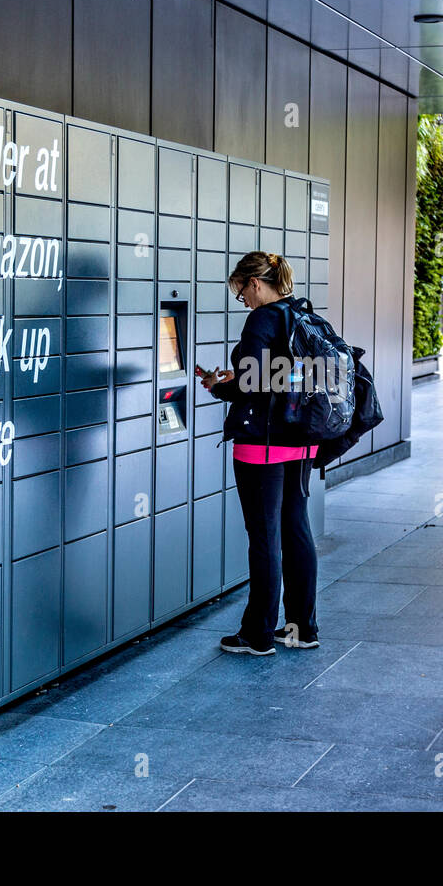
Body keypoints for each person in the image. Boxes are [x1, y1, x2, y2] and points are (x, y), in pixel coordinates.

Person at [197, 251, 320, 656]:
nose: (242, 300)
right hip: (300, 439)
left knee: (264, 536)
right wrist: (248, 377)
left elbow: (250, 385)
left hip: (262, 444)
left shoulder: (262, 319)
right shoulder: (300, 314)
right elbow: (288, 374)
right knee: (296, 531)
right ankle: (302, 628)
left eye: (240, 290)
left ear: (254, 282)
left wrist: (218, 386)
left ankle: (258, 634)